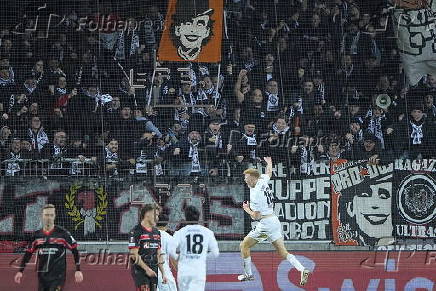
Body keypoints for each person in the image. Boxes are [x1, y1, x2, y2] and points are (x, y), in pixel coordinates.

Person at [238, 157, 310, 285]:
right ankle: (302, 269)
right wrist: (269, 163)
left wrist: (246, 209)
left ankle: (248, 274)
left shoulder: (255, 195)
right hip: (274, 220)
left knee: (244, 245)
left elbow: (255, 216)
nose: (245, 179)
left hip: (265, 224)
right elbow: (269, 173)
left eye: (246, 177)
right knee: (283, 252)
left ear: (253, 178)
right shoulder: (261, 181)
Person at [14, 204, 84, 290]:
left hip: (58, 277)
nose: (49, 217)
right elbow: (28, 253)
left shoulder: (63, 234)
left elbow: (75, 250)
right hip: (42, 276)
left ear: (54, 216)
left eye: (51, 215)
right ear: (42, 216)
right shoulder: (36, 235)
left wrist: (78, 270)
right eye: (46, 215)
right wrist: (20, 271)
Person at [170, 205, 219, 291]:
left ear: (185, 217)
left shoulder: (180, 232)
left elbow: (170, 250)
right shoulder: (207, 232)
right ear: (199, 217)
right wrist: (203, 256)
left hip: (184, 271)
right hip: (198, 271)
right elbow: (215, 253)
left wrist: (178, 257)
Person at [128, 203, 167, 291]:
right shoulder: (135, 232)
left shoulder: (157, 233)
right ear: (147, 214)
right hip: (141, 271)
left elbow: (158, 253)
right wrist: (147, 269)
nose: (157, 218)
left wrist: (163, 273)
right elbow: (134, 255)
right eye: (155, 215)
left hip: (154, 271)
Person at [156, 213, 178, 291]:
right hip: (165, 274)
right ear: (167, 224)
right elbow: (173, 259)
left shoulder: (149, 235)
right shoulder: (169, 238)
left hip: (151, 275)